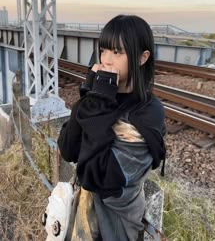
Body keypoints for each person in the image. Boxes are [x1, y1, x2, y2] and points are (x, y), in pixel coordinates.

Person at [58, 14, 166, 241]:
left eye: (117, 52)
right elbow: (68, 149)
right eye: (104, 50)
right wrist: (92, 96)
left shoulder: (147, 113)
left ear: (142, 57)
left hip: (116, 224)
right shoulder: (101, 96)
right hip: (82, 216)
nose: (106, 60)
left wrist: (97, 103)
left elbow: (99, 177)